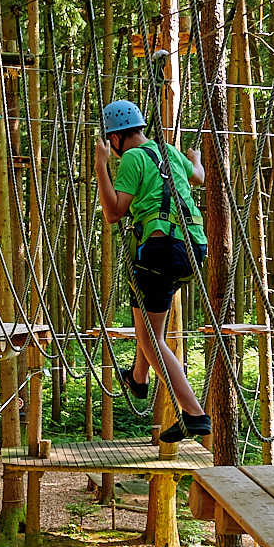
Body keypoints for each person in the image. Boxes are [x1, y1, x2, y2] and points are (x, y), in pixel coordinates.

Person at [92, 97, 210, 443]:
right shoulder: (169, 151)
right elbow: (199, 178)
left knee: (151, 338)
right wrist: (196, 160)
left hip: (159, 251)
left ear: (114, 139)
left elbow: (114, 212)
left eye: (109, 147)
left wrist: (101, 166)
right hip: (191, 248)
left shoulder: (130, 157)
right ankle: (139, 379)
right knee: (146, 318)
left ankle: (194, 414)